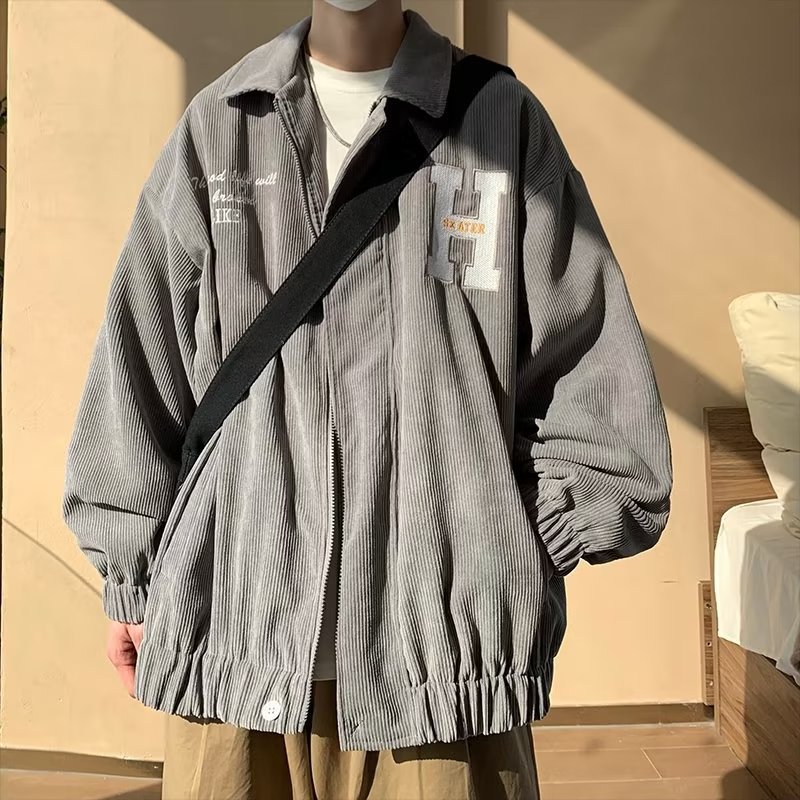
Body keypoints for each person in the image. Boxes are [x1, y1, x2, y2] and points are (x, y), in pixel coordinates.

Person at [61, 0, 673, 798]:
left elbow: (591, 365)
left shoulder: (500, 123)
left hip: (441, 669)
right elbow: (141, 362)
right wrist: (133, 572)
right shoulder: (220, 127)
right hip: (235, 632)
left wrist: (504, 547)